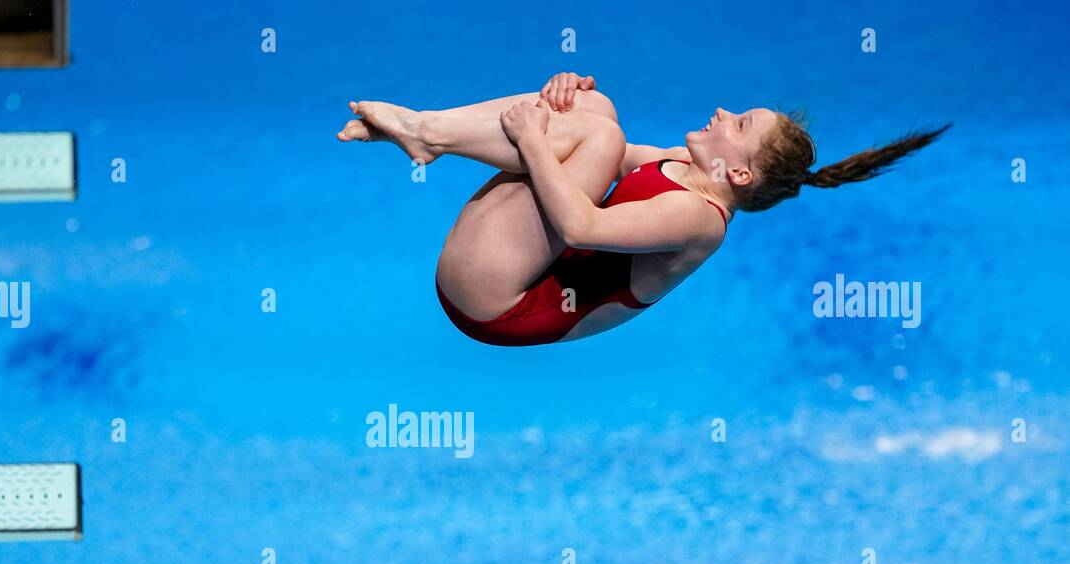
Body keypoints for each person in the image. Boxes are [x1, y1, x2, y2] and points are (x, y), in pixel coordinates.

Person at [337, 72, 949, 346]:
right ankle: (421, 129)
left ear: (735, 173)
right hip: (500, 269)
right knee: (597, 111)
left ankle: (424, 134)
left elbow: (582, 224)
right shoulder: (679, 169)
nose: (720, 111)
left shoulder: (699, 222)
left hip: (498, 302)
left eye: (737, 123)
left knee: (599, 136)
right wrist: (561, 99)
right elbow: (586, 141)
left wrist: (531, 137)